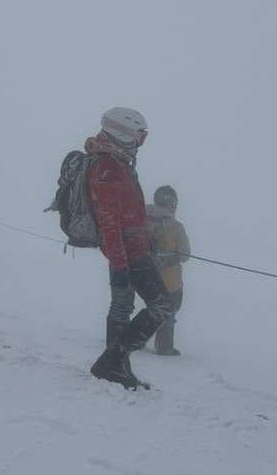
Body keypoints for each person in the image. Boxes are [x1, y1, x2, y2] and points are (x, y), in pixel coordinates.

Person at [86, 107, 168, 390]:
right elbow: (109, 221)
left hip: (129, 248)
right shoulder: (108, 166)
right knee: (162, 305)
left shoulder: (117, 161)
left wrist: (145, 236)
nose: (140, 143)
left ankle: (117, 367)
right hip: (127, 253)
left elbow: (125, 214)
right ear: (123, 132)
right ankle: (113, 361)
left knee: (122, 306)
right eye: (139, 136)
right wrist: (121, 264)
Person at [146, 185, 190, 356]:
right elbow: (185, 255)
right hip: (170, 282)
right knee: (169, 311)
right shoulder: (176, 226)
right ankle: (164, 346)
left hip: (145, 277)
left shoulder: (142, 219)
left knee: (151, 309)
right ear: (172, 204)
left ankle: (136, 338)